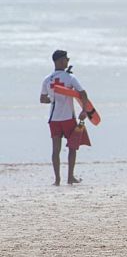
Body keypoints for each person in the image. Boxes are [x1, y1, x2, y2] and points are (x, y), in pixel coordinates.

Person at [40, 50, 91, 186]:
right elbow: (83, 93)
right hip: (68, 118)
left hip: (54, 119)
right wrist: (84, 110)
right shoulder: (70, 78)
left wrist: (53, 99)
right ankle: (70, 178)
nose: (67, 61)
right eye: (66, 59)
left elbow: (42, 99)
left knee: (55, 150)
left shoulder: (47, 79)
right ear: (60, 61)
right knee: (72, 147)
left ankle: (57, 180)